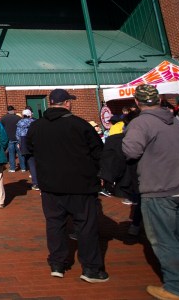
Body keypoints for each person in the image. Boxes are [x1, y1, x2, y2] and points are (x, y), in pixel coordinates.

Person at [123, 85, 179, 300]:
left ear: (137, 102)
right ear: (159, 99)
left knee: (164, 239)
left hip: (160, 188)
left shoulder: (141, 123)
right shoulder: (174, 121)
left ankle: (177, 288)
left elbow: (131, 151)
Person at [26, 89, 108, 283]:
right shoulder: (80, 125)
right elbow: (99, 153)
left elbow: (29, 149)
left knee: (54, 224)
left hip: (50, 185)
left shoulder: (37, 127)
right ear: (66, 103)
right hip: (81, 184)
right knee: (86, 226)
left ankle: (57, 263)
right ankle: (91, 268)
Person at [16, 108, 38, 190]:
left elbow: (17, 135)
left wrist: (19, 143)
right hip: (35, 142)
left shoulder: (20, 122)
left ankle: (35, 183)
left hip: (24, 142)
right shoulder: (35, 122)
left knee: (31, 163)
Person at [1, 105, 24, 172]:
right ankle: (23, 167)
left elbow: (1, 128)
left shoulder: (3, 118)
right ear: (13, 110)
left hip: (9, 138)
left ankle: (12, 168)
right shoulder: (18, 118)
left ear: (7, 111)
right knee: (20, 153)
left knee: (11, 154)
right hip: (18, 138)